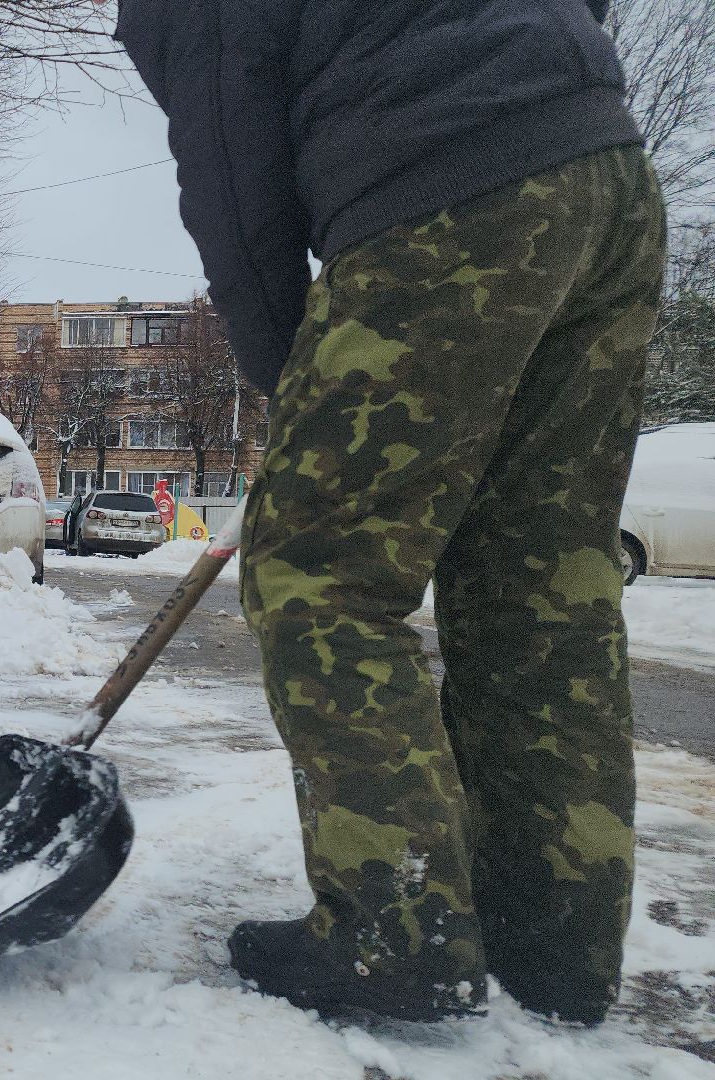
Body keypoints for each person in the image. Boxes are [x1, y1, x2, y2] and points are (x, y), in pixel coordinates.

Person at [118, 0, 663, 1023]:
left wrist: (297, 378)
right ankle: (556, 948)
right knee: (539, 586)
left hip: (445, 191)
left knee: (318, 577)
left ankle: (393, 934)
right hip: (607, 179)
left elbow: (232, 175)